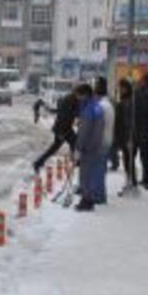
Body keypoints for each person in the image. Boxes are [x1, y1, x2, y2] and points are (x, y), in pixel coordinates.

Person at [33, 88, 83, 173]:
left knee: (64, 145)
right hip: (63, 129)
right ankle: (76, 161)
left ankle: (38, 163)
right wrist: (61, 132)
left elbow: (69, 113)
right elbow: (65, 115)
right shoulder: (70, 100)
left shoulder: (71, 99)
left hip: (65, 128)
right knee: (72, 142)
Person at [75, 84, 105, 212]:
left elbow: (84, 131)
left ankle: (86, 201)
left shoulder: (88, 109)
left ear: (85, 95)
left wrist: (78, 148)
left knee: (85, 175)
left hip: (87, 147)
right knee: (91, 174)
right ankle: (89, 199)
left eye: (79, 95)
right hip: (96, 145)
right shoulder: (97, 107)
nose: (77, 98)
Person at [94, 77, 114, 204]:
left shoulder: (101, 106)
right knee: (101, 169)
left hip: (100, 142)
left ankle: (99, 196)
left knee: (99, 170)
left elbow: (97, 127)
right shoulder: (108, 105)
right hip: (106, 140)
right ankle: (100, 195)